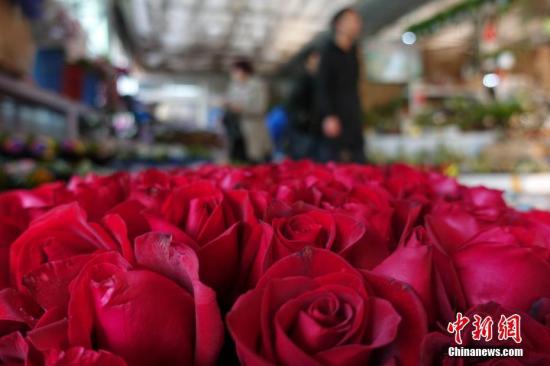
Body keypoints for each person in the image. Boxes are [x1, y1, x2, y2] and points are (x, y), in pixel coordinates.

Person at [316, 7, 366, 163]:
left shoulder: (354, 51)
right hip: (335, 117)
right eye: (351, 21)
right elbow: (322, 87)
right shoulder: (327, 52)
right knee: (335, 162)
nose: (356, 25)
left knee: (359, 162)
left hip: (353, 114)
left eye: (357, 21)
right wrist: (328, 116)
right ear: (338, 24)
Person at [225, 59, 272, 163]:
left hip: (252, 128)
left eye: (235, 71)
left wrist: (240, 109)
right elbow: (229, 101)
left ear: (243, 71)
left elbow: (261, 108)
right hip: (236, 129)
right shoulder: (234, 86)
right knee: (237, 160)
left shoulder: (257, 86)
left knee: (254, 159)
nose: (233, 75)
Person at [285, 49, 320, 160]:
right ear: (307, 63)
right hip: (303, 129)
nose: (317, 64)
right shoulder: (302, 80)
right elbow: (293, 104)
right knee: (302, 162)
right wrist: (302, 118)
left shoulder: (320, 81)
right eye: (314, 61)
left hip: (315, 129)